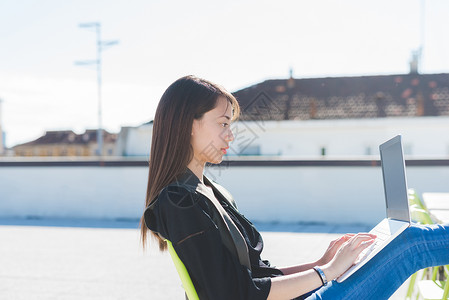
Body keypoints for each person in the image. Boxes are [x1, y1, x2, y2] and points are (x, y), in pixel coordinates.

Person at [141, 75, 449, 300]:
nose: (231, 135)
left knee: (404, 243)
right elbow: (234, 294)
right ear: (189, 125)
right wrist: (325, 274)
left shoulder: (207, 190)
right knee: (410, 245)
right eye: (223, 123)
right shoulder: (179, 202)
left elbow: (258, 277)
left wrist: (321, 264)